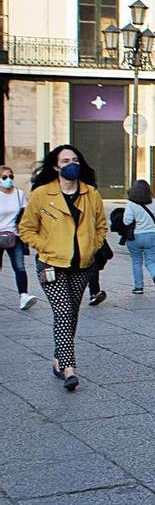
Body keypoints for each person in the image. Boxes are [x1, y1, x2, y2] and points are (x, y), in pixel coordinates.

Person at [18, 145, 107, 392]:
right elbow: (26, 228)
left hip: (82, 265)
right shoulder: (42, 195)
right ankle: (68, 369)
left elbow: (101, 226)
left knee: (71, 313)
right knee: (64, 312)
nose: (71, 163)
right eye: (65, 160)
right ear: (56, 166)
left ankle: (59, 358)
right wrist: (43, 245)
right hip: (51, 264)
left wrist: (93, 245)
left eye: (75, 159)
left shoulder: (90, 194)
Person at [0, 164, 36, 310]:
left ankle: (24, 296)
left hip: (14, 235)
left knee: (19, 266)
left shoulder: (18, 194)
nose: (8, 180)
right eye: (4, 177)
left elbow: (25, 213)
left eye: (11, 177)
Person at [123, 179, 155, 295]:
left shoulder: (131, 204)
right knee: (151, 261)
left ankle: (138, 287)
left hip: (136, 236)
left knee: (136, 262)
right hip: (153, 235)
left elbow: (127, 221)